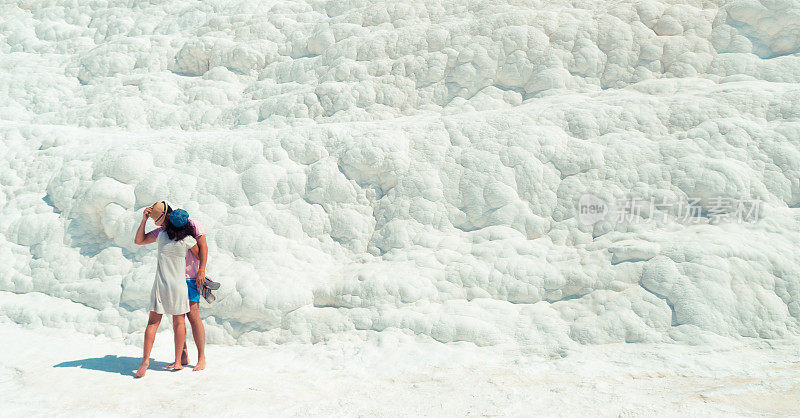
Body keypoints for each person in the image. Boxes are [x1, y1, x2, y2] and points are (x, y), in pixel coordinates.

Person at [143, 201, 209, 371]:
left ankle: (201, 357)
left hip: (191, 277)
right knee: (177, 319)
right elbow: (141, 240)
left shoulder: (193, 224)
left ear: (169, 215)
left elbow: (203, 248)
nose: (161, 224)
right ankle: (183, 355)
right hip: (175, 280)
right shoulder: (165, 230)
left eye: (161, 220)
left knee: (193, 317)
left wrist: (201, 270)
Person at [133, 207, 197, 377]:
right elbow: (198, 255)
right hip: (178, 286)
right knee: (179, 322)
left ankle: (145, 360)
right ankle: (178, 361)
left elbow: (138, 240)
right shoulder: (188, 240)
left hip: (160, 285)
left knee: (152, 323)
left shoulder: (161, 236)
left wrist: (145, 219)